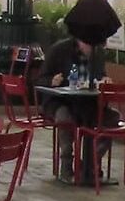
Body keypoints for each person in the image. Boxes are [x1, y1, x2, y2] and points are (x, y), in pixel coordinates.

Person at [40, 34, 104, 182]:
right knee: (65, 118)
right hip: (59, 101)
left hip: (89, 103)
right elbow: (39, 79)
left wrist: (105, 80)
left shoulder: (98, 53)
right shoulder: (59, 50)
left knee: (113, 118)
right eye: (86, 44)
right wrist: (52, 81)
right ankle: (67, 165)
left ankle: (91, 162)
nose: (89, 48)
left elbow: (101, 76)